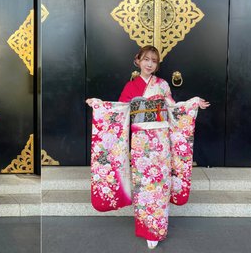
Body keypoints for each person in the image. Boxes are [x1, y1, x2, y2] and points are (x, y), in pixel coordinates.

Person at [86, 45, 209, 249]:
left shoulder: (162, 85)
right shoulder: (130, 87)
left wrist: (192, 104)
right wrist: (98, 104)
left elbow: (173, 108)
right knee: (143, 186)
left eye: (154, 60)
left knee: (159, 185)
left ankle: (158, 228)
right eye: (146, 59)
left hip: (161, 142)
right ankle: (146, 228)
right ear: (138, 61)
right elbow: (117, 111)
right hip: (141, 142)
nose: (150, 64)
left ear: (157, 64)